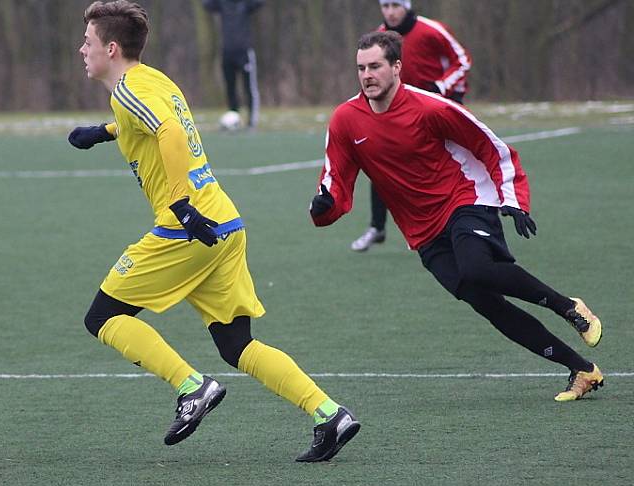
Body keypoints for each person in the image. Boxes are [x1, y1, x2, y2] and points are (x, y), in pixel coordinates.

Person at [69, 0, 359, 462]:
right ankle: (328, 414)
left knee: (102, 317)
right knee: (237, 344)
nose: (81, 50)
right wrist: (103, 133)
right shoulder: (151, 80)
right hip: (224, 222)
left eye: (87, 42)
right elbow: (150, 120)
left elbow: (169, 133)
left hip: (188, 228)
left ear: (111, 47)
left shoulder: (129, 91)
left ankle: (192, 386)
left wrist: (181, 206)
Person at [309, 30, 604, 402]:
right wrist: (323, 207)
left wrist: (513, 200)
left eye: (375, 66)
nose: (367, 75)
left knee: (476, 267)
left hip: (464, 198)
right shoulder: (345, 121)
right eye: (361, 68)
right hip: (421, 231)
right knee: (486, 303)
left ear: (397, 67)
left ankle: (568, 306)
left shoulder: (430, 108)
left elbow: (491, 147)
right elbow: (334, 184)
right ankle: (581, 370)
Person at [351, 0, 472, 252]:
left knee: (446, 166)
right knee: (381, 162)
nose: (390, 12)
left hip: (438, 108)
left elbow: (462, 61)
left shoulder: (431, 29)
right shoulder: (380, 38)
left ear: (406, 6)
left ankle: (463, 218)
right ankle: (377, 226)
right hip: (401, 113)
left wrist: (440, 88)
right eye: (385, 6)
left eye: (396, 5)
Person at [202, 0, 264, 130]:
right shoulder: (223, 4)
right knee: (230, 88)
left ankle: (252, 121)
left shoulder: (246, 4)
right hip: (227, 52)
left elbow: (260, 3)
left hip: (244, 51)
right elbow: (206, 5)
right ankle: (233, 119)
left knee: (249, 88)